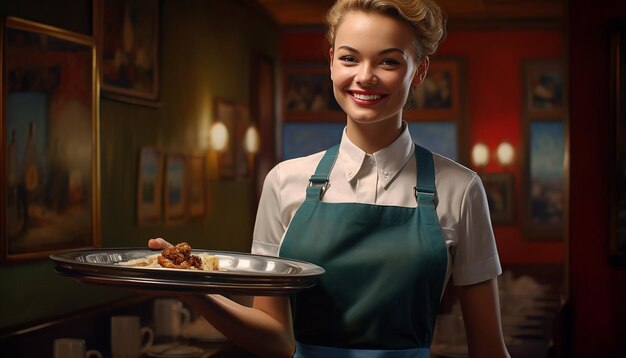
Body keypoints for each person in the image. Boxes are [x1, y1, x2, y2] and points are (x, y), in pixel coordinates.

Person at [150, 0, 510, 356]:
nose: (365, 76)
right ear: (331, 64)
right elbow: (274, 337)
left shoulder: (461, 189)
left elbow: (490, 350)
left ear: (419, 70)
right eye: (350, 58)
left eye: (388, 61)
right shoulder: (283, 182)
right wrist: (191, 288)